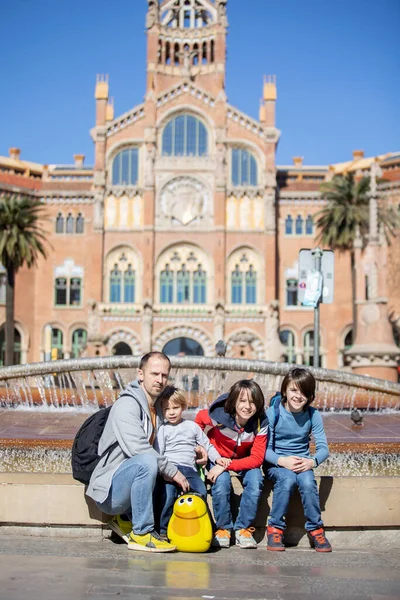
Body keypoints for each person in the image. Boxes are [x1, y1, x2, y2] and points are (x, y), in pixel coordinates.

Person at [86, 351, 204, 553]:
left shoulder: (157, 405)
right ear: (140, 374)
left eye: (164, 375)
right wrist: (173, 471)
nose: (160, 380)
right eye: (154, 374)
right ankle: (141, 533)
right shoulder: (127, 405)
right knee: (147, 462)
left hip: (128, 485)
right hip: (111, 492)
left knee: (150, 463)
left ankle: (127, 519)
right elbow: (138, 448)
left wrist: (196, 447)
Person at [264, 367, 332, 552]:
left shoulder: (312, 414)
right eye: (294, 390)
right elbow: (263, 449)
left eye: (304, 392)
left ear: (310, 395)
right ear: (285, 390)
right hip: (276, 463)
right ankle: (275, 528)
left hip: (303, 463)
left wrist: (312, 462)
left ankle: (315, 529)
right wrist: (282, 461)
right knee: (287, 479)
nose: (298, 396)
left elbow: (323, 448)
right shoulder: (273, 413)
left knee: (308, 483)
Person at [195, 379, 268, 549]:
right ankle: (223, 529)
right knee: (221, 483)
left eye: (252, 402)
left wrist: (227, 466)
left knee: (256, 480)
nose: (247, 406)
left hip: (244, 459)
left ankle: (243, 529)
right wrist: (199, 445)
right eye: (242, 401)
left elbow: (257, 459)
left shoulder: (260, 423)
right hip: (217, 456)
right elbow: (199, 419)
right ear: (234, 401)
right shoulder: (219, 417)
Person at [155, 386, 231, 537]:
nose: (171, 412)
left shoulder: (192, 426)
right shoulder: (163, 429)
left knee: (200, 492)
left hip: (189, 469)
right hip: (170, 469)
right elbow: (159, 453)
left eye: (175, 408)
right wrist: (163, 471)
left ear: (183, 407)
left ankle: (202, 525)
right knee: (168, 495)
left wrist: (217, 459)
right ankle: (163, 530)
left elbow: (207, 445)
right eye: (166, 409)